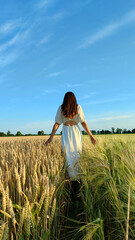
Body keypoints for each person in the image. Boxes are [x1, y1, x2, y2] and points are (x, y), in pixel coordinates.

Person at [45, 92, 96, 179]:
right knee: (68, 154)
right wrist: (51, 137)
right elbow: (83, 123)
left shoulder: (76, 107)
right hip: (73, 132)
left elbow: (57, 124)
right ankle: (71, 178)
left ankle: (77, 177)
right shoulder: (62, 108)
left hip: (69, 132)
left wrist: (91, 136)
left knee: (75, 153)